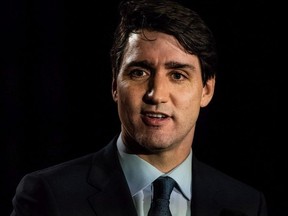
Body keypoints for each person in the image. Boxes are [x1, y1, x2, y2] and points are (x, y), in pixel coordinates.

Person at [10, 0, 268, 215]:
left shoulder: (245, 205)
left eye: (178, 75)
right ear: (115, 85)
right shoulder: (49, 196)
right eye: (139, 72)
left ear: (206, 90)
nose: (156, 95)